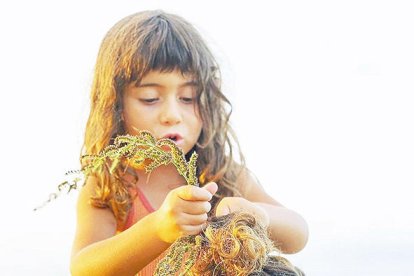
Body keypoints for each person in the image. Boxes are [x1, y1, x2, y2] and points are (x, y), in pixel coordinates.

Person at [70, 10, 308, 275]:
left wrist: (253, 214)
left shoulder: (220, 172)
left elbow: (298, 233)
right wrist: (158, 228)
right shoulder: (112, 184)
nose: (172, 115)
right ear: (116, 106)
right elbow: (84, 268)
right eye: (150, 98)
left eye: (188, 98)